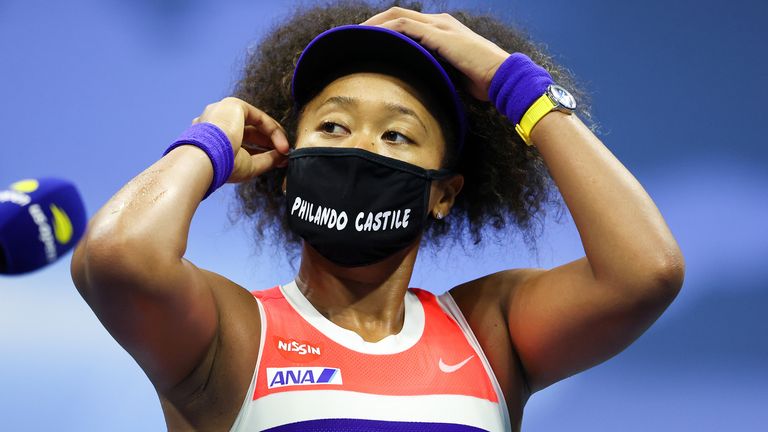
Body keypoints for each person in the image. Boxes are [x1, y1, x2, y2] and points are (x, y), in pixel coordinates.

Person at [71, 2, 685, 431]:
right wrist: (207, 142)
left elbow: (647, 270)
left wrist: (511, 81)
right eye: (333, 126)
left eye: (396, 136)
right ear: (288, 164)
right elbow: (117, 257)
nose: (362, 148)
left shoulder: (490, 332)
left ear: (444, 193)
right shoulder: (233, 336)